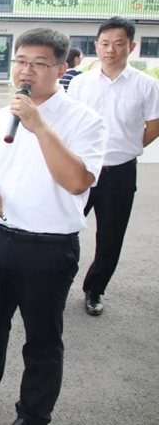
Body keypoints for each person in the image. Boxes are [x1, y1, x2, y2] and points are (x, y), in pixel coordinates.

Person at [0, 28, 105, 425]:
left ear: (62, 68)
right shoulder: (3, 115)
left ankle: (33, 413)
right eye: (21, 61)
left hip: (48, 248)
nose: (26, 71)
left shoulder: (85, 120)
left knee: (42, 338)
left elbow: (78, 182)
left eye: (39, 63)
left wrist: (40, 127)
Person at [67, 17, 159, 315]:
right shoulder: (80, 83)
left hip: (120, 171)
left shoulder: (146, 85)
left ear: (131, 47)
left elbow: (154, 125)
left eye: (119, 44)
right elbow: (69, 121)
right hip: (81, 168)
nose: (111, 50)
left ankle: (94, 289)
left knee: (110, 236)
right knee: (64, 227)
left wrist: (130, 146)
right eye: (105, 43)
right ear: (96, 46)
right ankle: (56, 281)